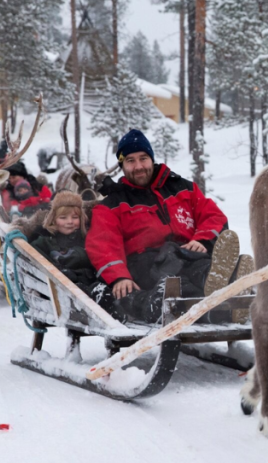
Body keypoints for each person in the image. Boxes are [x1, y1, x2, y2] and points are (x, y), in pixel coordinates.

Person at [85, 129, 243, 323]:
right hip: (143, 265)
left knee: (198, 266)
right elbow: (102, 244)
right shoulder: (112, 204)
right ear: (122, 165)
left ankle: (222, 279)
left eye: (143, 158)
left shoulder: (182, 187)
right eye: (130, 161)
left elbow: (213, 215)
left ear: (152, 158)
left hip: (187, 253)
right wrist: (119, 277)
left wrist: (201, 239)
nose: (138, 166)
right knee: (178, 282)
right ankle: (225, 297)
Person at [28, 191, 122, 320]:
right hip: (63, 289)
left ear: (81, 218)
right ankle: (102, 303)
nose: (69, 222)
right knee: (80, 289)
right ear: (53, 219)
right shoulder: (44, 241)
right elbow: (38, 263)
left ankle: (111, 309)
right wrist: (61, 272)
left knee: (100, 288)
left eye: (75, 217)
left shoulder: (88, 238)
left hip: (90, 282)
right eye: (63, 218)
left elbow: (99, 258)